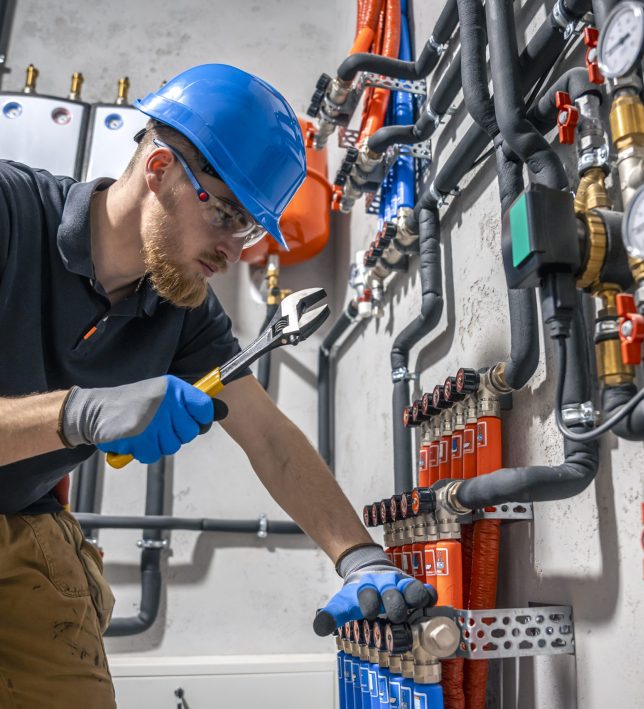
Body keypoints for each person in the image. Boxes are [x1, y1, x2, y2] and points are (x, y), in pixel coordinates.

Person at [0, 64, 434, 707]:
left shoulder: (183, 312)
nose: (235, 249)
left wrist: (359, 558)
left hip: (21, 520)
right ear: (160, 171)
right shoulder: (10, 212)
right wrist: (81, 414)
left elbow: (269, 438)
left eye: (252, 229)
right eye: (229, 215)